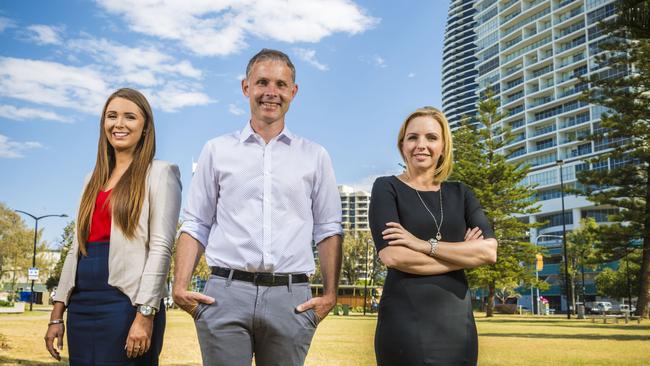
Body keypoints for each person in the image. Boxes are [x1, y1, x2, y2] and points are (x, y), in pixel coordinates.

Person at [172, 48, 343, 366]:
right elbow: (196, 222)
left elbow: (328, 227)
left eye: (280, 84)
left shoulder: (315, 156)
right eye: (262, 81)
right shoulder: (217, 150)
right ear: (245, 87)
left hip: (291, 299)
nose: (271, 92)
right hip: (225, 293)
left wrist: (331, 295)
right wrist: (179, 287)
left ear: (293, 92)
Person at [44, 88, 182, 365]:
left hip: (126, 303)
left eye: (130, 117)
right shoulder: (92, 179)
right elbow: (75, 249)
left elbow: (161, 248)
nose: (119, 124)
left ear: (145, 128)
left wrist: (145, 314)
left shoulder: (160, 173)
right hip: (83, 304)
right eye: (111, 116)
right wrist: (57, 314)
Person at [369, 106, 498, 366]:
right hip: (405, 321)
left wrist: (421, 244)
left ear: (443, 146)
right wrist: (463, 253)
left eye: (431, 137)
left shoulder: (461, 193)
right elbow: (394, 257)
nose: (421, 145)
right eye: (413, 137)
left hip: (457, 325)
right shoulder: (386, 187)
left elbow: (488, 252)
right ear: (402, 145)